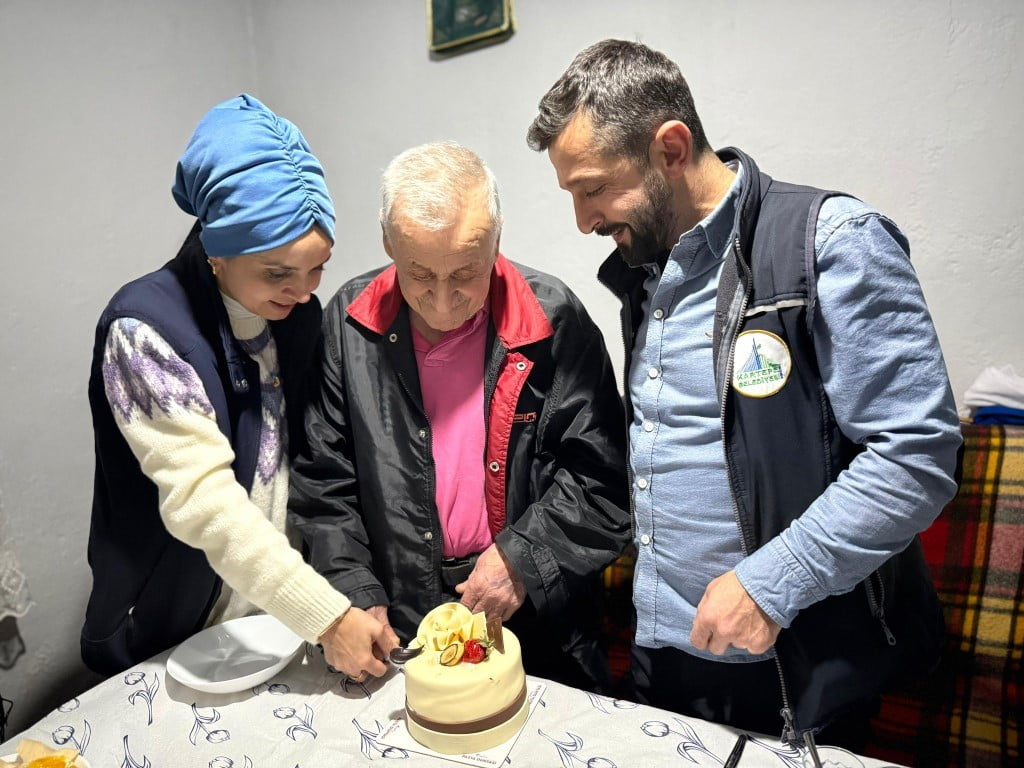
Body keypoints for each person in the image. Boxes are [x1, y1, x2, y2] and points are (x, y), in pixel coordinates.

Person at [527, 40, 962, 750]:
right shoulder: (647, 269)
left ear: (671, 147)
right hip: (664, 655)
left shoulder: (831, 244)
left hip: (799, 666)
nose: (584, 220)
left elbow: (916, 457)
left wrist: (770, 584)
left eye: (594, 188)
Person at [288, 141, 631, 692]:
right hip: (395, 614)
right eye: (420, 273)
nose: (443, 302)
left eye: (466, 274)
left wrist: (522, 559)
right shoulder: (348, 325)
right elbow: (323, 485)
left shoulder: (554, 320)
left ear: (498, 241)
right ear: (388, 245)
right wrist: (351, 589)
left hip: (537, 617)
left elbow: (602, 478)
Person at [81, 94, 392, 682]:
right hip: (170, 627)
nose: (303, 292)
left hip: (277, 618)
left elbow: (318, 465)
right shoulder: (144, 332)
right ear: (217, 251)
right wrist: (327, 617)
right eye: (278, 272)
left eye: (318, 267)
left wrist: (342, 585)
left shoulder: (295, 317)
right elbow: (207, 504)